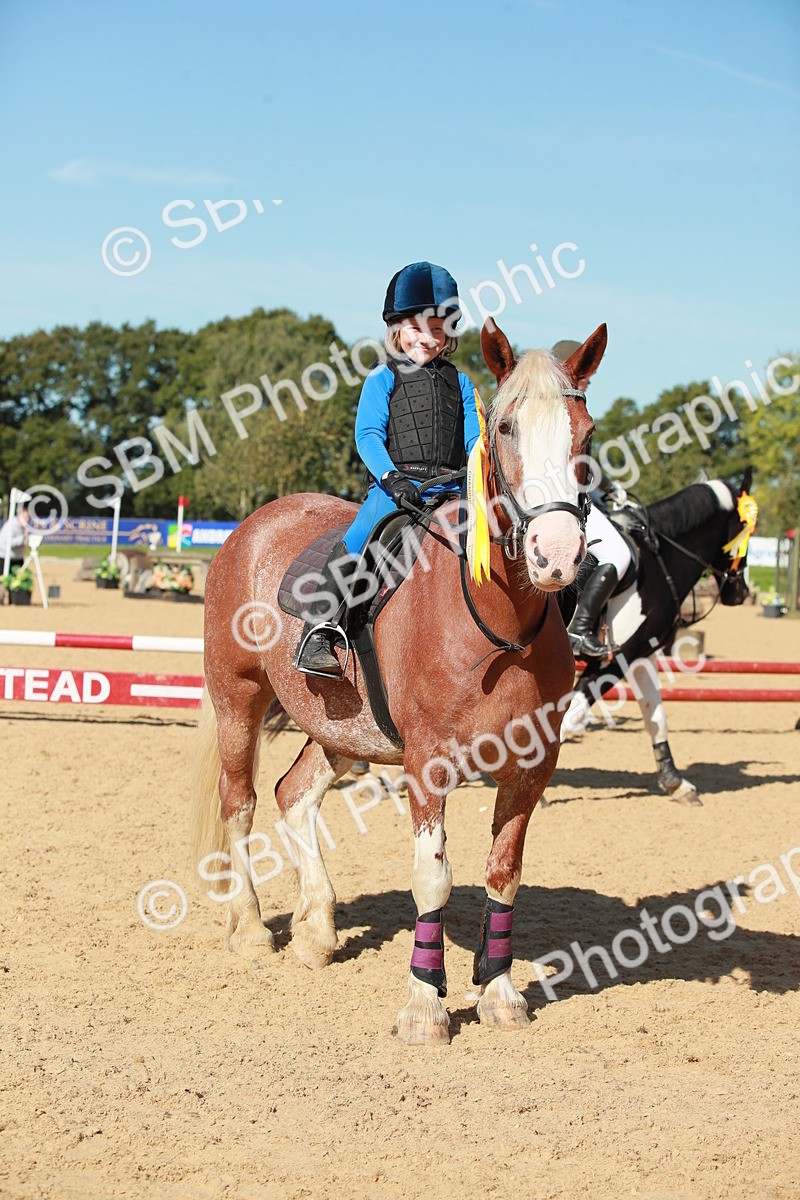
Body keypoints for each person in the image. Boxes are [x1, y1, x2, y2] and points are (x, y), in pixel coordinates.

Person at [296, 261, 481, 676]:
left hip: (451, 491)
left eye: (438, 329)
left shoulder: (463, 384)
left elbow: (475, 441)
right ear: (397, 329)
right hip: (396, 489)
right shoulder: (382, 377)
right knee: (361, 533)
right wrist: (391, 478)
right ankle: (319, 630)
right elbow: (368, 436)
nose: (427, 338)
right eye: (417, 328)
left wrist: (476, 475)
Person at [551, 340, 632, 658]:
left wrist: (608, 491)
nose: (587, 382)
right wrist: (608, 489)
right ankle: (579, 629)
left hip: (568, 497)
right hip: (562, 502)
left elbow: (584, 468)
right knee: (619, 554)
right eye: (583, 375)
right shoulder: (561, 410)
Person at [0, 503, 30, 577]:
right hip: (5, 559)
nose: (27, 519)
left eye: (28, 517)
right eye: (25, 517)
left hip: (18, 559)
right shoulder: (11, 525)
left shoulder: (25, 527)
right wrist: (22, 539)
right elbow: (7, 542)